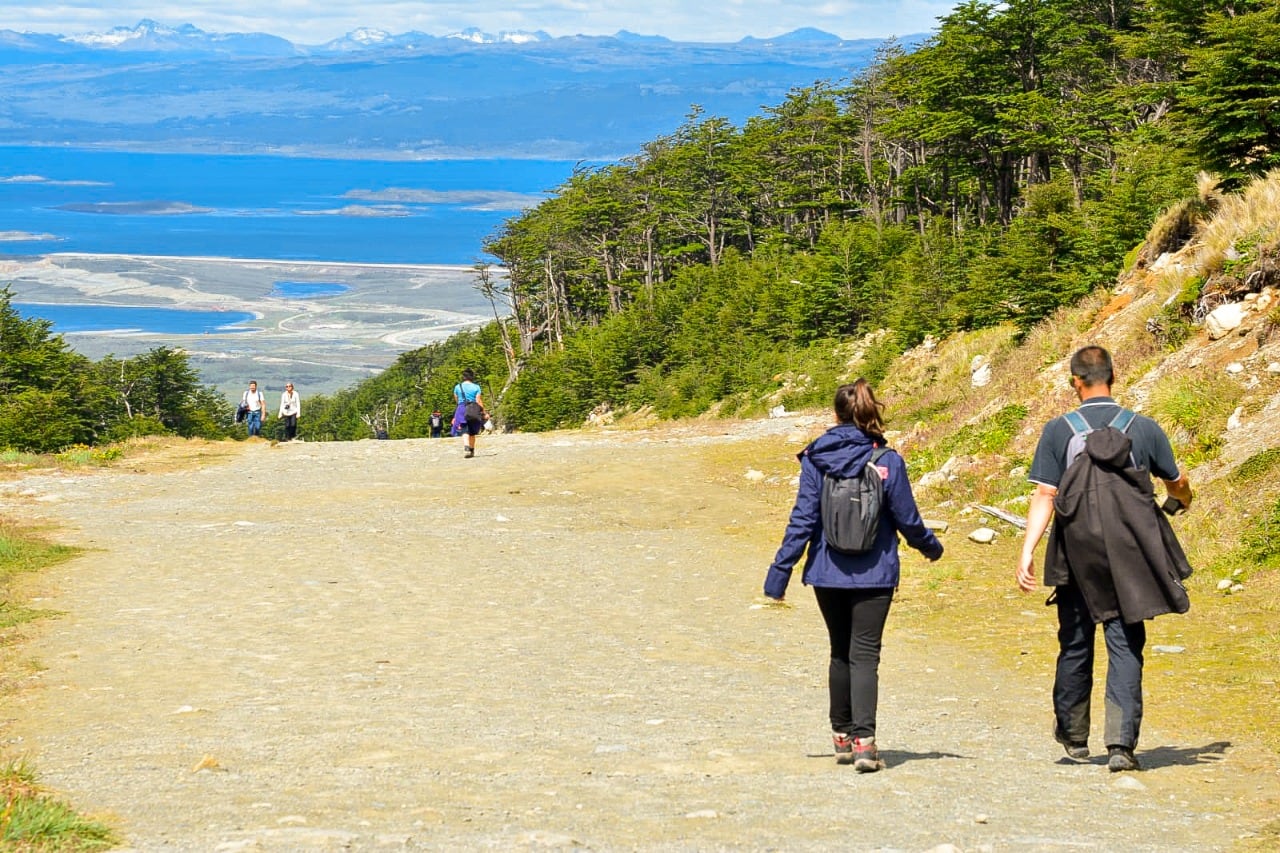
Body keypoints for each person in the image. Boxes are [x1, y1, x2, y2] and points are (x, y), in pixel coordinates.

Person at [1017, 345, 1194, 773]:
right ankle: (1121, 746)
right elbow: (1176, 483)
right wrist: (1179, 501)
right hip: (1130, 550)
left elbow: (1046, 494)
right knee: (1126, 642)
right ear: (1113, 376)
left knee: (1075, 639)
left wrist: (1027, 550)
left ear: (1075, 381)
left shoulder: (1059, 430)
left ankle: (1075, 737)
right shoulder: (1144, 428)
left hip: (1076, 551)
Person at [763, 379, 944, 772]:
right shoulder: (887, 460)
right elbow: (907, 518)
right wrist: (930, 547)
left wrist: (779, 573)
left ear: (835, 415)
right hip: (875, 573)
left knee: (839, 652)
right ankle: (866, 744)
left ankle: (841, 738)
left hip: (827, 572)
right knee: (865, 655)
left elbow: (804, 519)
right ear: (868, 413)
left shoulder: (815, 458)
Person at [453, 369, 487, 458]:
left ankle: (466, 448)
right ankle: (471, 450)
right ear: (472, 376)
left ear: (463, 377)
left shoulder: (457, 387)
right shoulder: (476, 387)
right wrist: (483, 412)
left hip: (461, 408)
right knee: (472, 430)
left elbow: (456, 399)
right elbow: (478, 400)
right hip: (473, 408)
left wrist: (460, 405)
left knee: (464, 428)